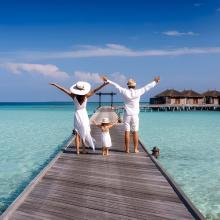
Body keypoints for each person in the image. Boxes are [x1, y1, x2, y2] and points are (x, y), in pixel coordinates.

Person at [101, 76, 160, 153]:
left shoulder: (125, 91)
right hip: (135, 115)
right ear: (134, 85)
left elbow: (116, 86)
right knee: (135, 131)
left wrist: (108, 80)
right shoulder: (138, 91)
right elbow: (147, 87)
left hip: (127, 115)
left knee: (127, 131)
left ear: (128, 85)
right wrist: (155, 82)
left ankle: (127, 149)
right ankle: (135, 149)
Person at [50, 81, 109, 154]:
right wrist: (103, 84)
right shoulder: (86, 96)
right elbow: (95, 90)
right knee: (84, 132)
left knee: (77, 133)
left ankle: (77, 151)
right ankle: (83, 150)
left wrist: (56, 85)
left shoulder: (73, 96)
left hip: (77, 115)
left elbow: (63, 90)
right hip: (84, 115)